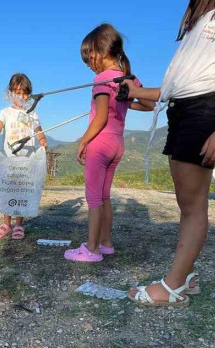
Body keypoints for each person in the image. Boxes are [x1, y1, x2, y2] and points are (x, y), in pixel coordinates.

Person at [122, 0, 215, 305]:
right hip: (182, 109)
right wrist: (133, 92)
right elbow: (172, 88)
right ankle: (186, 276)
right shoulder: (200, 18)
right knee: (187, 202)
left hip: (204, 109)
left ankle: (172, 287)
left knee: (192, 205)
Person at [64, 24, 155, 263]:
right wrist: (126, 101)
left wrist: (83, 141)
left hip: (100, 144)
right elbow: (150, 105)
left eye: (89, 57)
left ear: (101, 51)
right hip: (117, 145)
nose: (88, 62)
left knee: (93, 198)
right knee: (104, 196)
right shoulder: (129, 78)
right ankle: (106, 243)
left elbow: (101, 117)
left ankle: (91, 249)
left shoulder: (102, 79)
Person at [0, 73, 48, 240]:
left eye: (25, 93)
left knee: (22, 191)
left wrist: (42, 140)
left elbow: (38, 129)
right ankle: (6, 223)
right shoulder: (6, 112)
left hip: (27, 161)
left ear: (29, 94)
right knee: (8, 189)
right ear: (10, 93)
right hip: (10, 160)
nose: (21, 96)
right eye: (17, 92)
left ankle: (19, 224)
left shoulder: (32, 113)